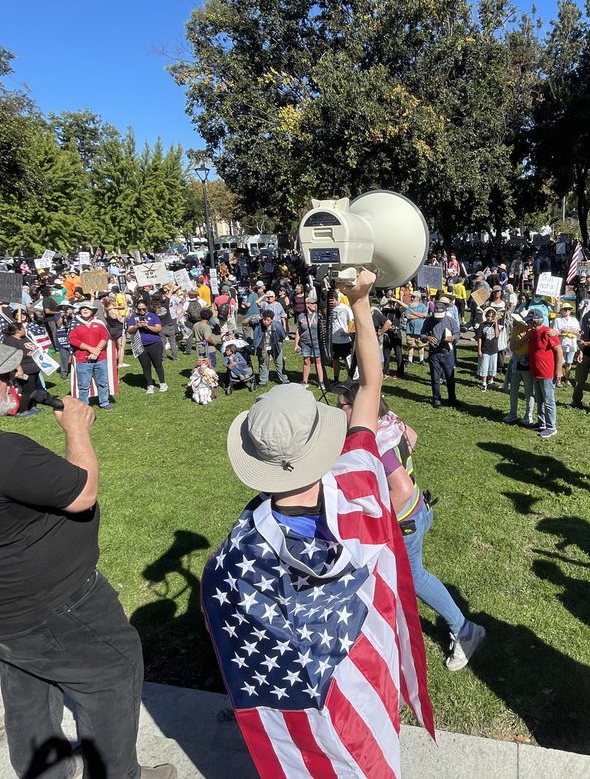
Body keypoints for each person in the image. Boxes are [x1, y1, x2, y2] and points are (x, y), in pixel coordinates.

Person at [0, 341, 175, 779]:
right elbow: (82, 494)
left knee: (28, 686)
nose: (18, 379)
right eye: (3, 377)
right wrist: (77, 429)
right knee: (111, 676)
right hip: (54, 607)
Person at [201, 268, 432, 776]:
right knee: (372, 751)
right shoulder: (359, 477)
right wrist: (361, 301)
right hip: (364, 668)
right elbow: (371, 381)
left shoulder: (239, 554)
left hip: (308, 698)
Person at [333, 384, 485, 669]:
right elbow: (412, 435)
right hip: (419, 510)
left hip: (406, 523)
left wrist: (372, 520)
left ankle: (465, 630)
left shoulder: (378, 443)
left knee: (416, 578)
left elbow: (401, 489)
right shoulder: (389, 422)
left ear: (360, 407)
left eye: (341, 406)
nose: (337, 411)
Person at [69, 302, 115, 409]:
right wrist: (91, 349)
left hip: (100, 358)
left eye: (87, 308)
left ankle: (104, 402)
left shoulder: (98, 323)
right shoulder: (74, 323)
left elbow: (105, 337)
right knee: (84, 385)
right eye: (83, 308)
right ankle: (84, 405)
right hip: (83, 359)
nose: (85, 310)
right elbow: (73, 340)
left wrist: (97, 351)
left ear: (92, 311)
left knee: (103, 382)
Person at [527, 309, 562, 438]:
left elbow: (559, 350)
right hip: (536, 372)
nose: (528, 324)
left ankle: (551, 427)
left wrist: (558, 370)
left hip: (547, 372)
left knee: (548, 400)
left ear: (535, 321)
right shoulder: (532, 333)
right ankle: (542, 423)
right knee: (540, 399)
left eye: (530, 321)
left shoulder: (547, 332)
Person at [423, 292, 459, 408]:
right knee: (435, 378)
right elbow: (422, 335)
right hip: (434, 354)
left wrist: (452, 338)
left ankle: (452, 400)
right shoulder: (428, 321)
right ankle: (436, 399)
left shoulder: (450, 320)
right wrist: (428, 338)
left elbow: (457, 333)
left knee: (450, 378)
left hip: (447, 353)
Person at [126, 300, 167, 395]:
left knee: (158, 364)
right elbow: (130, 331)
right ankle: (149, 385)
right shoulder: (134, 317)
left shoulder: (153, 316)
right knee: (145, 366)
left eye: (143, 309)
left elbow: (159, 329)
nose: (141, 311)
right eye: (139, 309)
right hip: (141, 345)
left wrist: (147, 326)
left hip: (154, 344)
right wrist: (136, 326)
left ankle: (162, 383)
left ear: (147, 307)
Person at [293, 291, 325, 387]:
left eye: (313, 303)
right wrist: (296, 344)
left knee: (318, 361)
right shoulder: (301, 316)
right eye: (311, 303)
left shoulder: (319, 316)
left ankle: (321, 382)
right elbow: (298, 331)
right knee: (306, 361)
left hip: (316, 341)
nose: (313, 305)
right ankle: (305, 381)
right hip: (305, 342)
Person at [250, 308, 287, 386]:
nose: (265, 322)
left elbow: (283, 336)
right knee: (263, 363)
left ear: (272, 320)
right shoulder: (258, 324)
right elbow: (245, 323)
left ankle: (284, 379)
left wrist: (279, 344)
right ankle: (263, 381)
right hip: (262, 346)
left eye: (268, 320)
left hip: (275, 345)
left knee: (279, 363)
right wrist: (251, 318)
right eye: (264, 319)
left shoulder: (277, 326)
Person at [553, 302, 580, 387]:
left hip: (572, 344)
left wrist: (570, 331)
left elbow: (579, 332)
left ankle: (567, 379)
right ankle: (558, 379)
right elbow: (555, 332)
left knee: (569, 362)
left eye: (569, 309)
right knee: (560, 362)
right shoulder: (557, 320)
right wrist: (563, 332)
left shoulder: (574, 320)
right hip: (562, 344)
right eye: (565, 309)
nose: (567, 311)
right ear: (561, 311)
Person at [475, 308, 501, 391]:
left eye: (491, 316)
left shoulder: (496, 325)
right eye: (488, 316)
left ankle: (490, 381)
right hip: (485, 348)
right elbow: (479, 338)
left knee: (492, 366)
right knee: (484, 366)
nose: (489, 318)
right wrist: (479, 349)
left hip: (494, 349)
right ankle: (483, 383)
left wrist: (496, 324)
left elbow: (497, 335)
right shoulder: (482, 325)